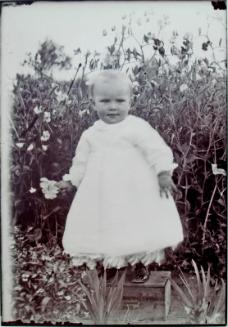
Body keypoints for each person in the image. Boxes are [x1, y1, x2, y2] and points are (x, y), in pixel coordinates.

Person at [57, 70, 183, 282]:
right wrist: (71, 181)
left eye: (119, 100)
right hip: (101, 193)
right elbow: (80, 162)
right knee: (105, 226)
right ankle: (110, 266)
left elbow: (156, 149)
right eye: (105, 101)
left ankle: (140, 264)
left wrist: (162, 172)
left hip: (133, 190)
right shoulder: (90, 134)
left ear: (130, 101)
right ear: (93, 102)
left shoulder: (136, 127)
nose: (112, 106)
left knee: (135, 225)